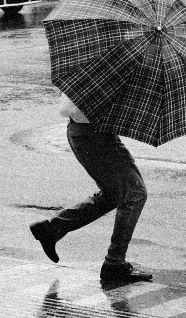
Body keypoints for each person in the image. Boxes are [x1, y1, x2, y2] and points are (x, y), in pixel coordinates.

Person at [29, 92, 152, 284]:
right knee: (134, 194)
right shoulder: (111, 66)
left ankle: (53, 229)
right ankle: (114, 263)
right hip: (94, 134)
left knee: (113, 194)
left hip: (85, 131)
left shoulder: (98, 67)